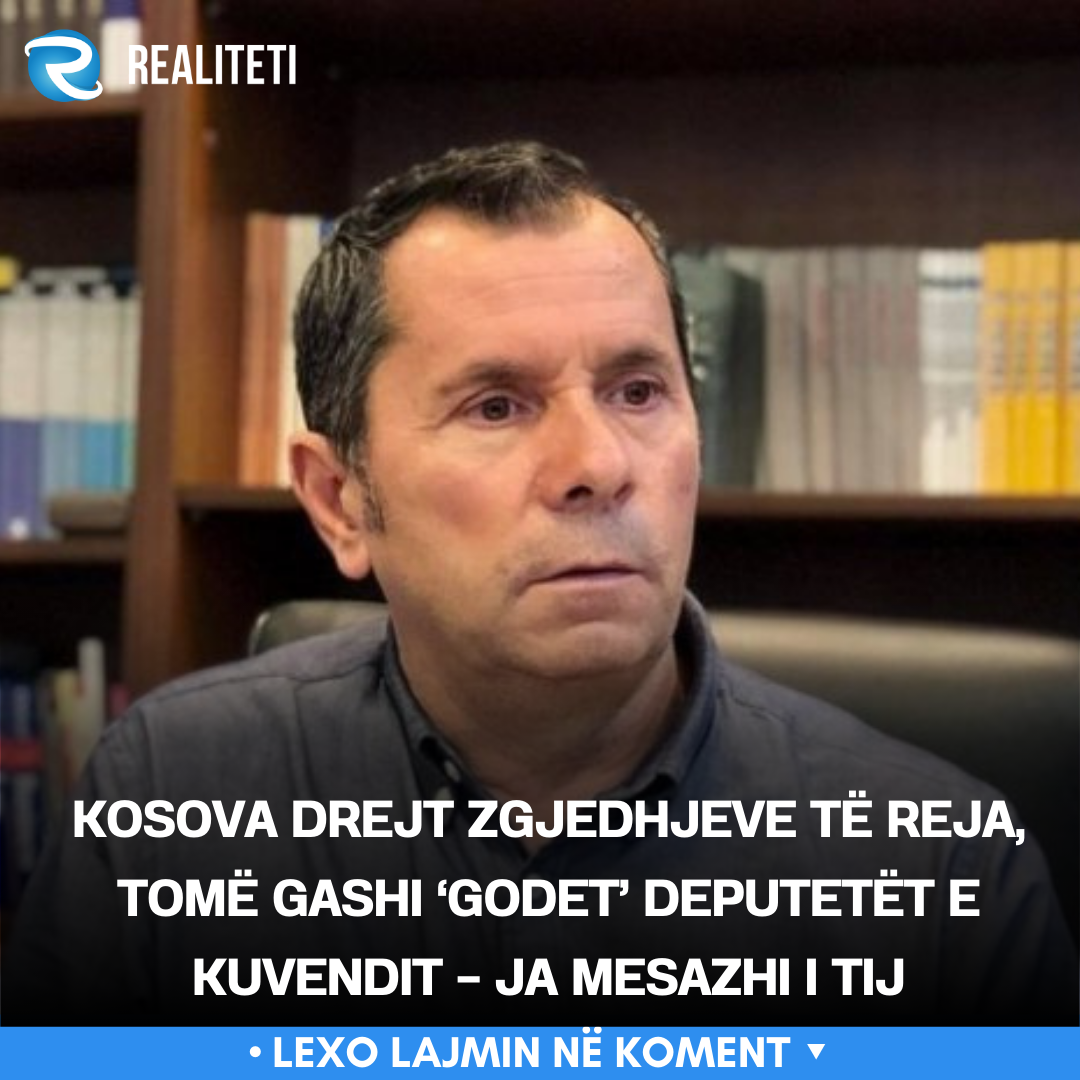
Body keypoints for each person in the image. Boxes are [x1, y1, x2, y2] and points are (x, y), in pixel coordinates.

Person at [5, 142, 1076, 1026]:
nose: (598, 464)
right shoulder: (175, 793)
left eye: (638, 391)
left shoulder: (944, 873)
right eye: (497, 406)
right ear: (339, 500)